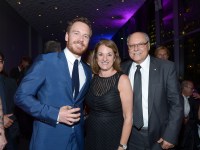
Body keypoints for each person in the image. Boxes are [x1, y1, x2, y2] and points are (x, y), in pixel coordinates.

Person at [14, 17, 93, 150]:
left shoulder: (87, 70)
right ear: (67, 36)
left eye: (86, 36)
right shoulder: (46, 61)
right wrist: (56, 114)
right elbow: (21, 96)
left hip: (77, 140)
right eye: (76, 33)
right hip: (48, 140)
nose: (81, 39)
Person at [121, 32, 183, 150]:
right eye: (131, 45)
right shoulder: (122, 69)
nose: (136, 48)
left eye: (140, 44)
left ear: (148, 46)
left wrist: (170, 135)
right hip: (130, 136)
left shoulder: (166, 67)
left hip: (159, 137)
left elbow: (176, 104)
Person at [85, 39, 133, 150]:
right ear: (96, 58)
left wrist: (122, 145)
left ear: (115, 57)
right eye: (100, 54)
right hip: (91, 136)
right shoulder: (91, 78)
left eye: (109, 54)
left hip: (114, 138)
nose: (105, 59)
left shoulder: (122, 80)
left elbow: (128, 117)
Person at [0, 52, 19, 150]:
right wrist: (1, 119)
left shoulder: (10, 82)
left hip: (10, 128)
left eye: (0, 61)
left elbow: (17, 104)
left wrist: (9, 118)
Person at [178, 80, 200, 150]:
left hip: (190, 129)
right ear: (184, 87)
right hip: (180, 130)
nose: (193, 90)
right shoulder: (177, 98)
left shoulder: (191, 98)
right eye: (191, 88)